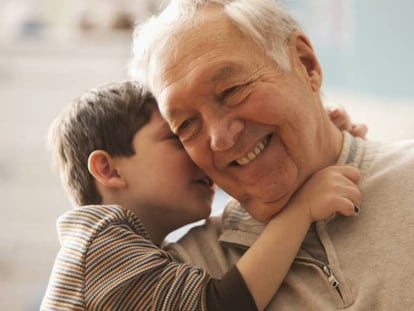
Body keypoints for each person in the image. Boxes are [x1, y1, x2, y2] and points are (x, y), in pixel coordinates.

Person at [130, 0, 414, 309]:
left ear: (306, 65)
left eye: (231, 90)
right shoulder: (182, 279)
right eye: (186, 124)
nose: (220, 138)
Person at [40, 81, 361, 310]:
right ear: (108, 169)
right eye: (178, 138)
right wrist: (302, 207)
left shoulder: (129, 248)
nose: (202, 150)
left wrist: (315, 146)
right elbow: (218, 304)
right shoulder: (98, 246)